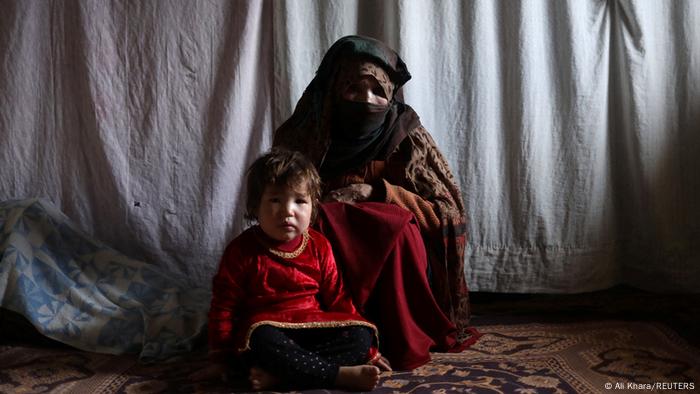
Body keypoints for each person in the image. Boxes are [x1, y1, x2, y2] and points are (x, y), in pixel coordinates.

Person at [273, 35, 478, 370]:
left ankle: (396, 334)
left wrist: (380, 194)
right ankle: (331, 333)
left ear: (390, 94)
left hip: (397, 267)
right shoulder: (305, 134)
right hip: (327, 263)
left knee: (394, 226)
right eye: (353, 88)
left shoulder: (406, 134)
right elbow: (275, 200)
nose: (365, 100)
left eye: (377, 91)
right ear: (334, 90)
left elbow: (448, 210)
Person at [201, 148, 390, 391]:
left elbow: (338, 297)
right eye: (275, 200)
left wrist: (370, 351)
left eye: (299, 201)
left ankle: (281, 377)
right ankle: (336, 375)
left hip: (312, 328)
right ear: (255, 205)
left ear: (313, 207)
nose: (288, 211)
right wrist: (220, 357)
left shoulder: (318, 244)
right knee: (261, 340)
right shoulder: (241, 250)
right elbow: (224, 306)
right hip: (267, 332)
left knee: (360, 336)